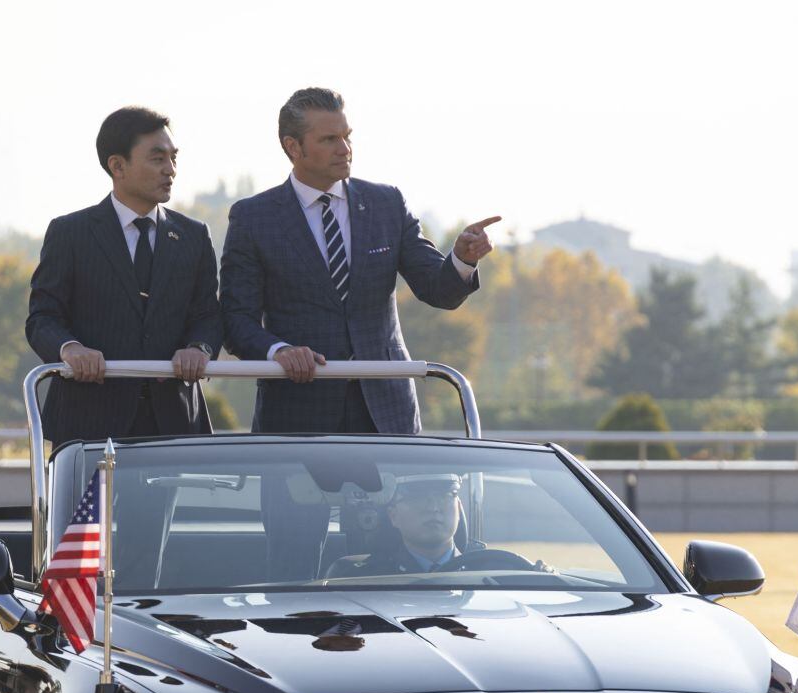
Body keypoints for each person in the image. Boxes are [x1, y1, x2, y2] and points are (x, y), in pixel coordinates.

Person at [220, 86, 500, 434]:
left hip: (387, 414)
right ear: (293, 147)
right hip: (297, 414)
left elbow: (437, 289)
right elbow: (236, 319)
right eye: (329, 139)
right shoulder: (253, 218)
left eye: (347, 136)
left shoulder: (387, 204)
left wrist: (460, 259)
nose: (345, 149)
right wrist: (278, 351)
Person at [26, 106, 222, 447]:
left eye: (174, 158)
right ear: (117, 166)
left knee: (159, 506)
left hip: (173, 427)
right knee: (96, 504)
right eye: (157, 159)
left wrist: (199, 347)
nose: (171, 170)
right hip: (88, 425)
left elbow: (208, 315)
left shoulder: (193, 236)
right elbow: (43, 317)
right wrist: (70, 349)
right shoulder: (70, 233)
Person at [328, 474, 464, 577]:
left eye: (445, 496)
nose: (433, 508)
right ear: (393, 515)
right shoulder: (364, 578)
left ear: (458, 508)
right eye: (417, 498)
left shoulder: (481, 570)